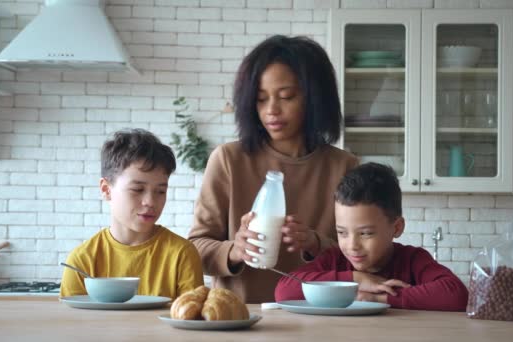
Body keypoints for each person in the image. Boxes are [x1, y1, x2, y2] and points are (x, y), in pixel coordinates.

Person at [188, 35, 358, 303]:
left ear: (315, 98)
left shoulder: (344, 167)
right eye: (260, 99)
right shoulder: (228, 160)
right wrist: (235, 250)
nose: (271, 111)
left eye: (286, 96)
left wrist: (315, 244)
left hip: (321, 320)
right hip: (239, 318)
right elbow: (194, 250)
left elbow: (361, 257)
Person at [274, 163, 469, 311]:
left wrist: (377, 298)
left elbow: (456, 294)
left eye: (365, 233)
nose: (352, 246)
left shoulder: (412, 260)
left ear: (397, 227)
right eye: (341, 232)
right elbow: (284, 291)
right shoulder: (335, 259)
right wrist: (356, 279)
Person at [60, 128, 203, 299]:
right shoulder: (82, 260)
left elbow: (191, 316)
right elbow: (73, 323)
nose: (150, 201)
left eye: (160, 191)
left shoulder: (182, 254)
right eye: (137, 189)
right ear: (106, 190)